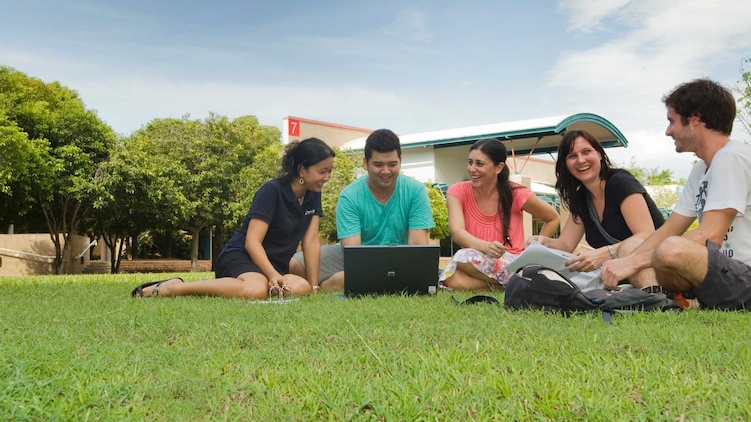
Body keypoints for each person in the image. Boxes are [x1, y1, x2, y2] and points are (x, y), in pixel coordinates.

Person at [600, 78, 751, 310]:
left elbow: (710, 235)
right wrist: (626, 260)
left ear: (695, 119)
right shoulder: (702, 168)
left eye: (672, 121)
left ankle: (673, 301)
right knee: (632, 247)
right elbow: (669, 228)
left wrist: (633, 264)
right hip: (720, 274)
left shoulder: (732, 158)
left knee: (670, 250)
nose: (668, 131)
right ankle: (656, 299)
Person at [131, 137, 335, 299]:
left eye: (330, 171)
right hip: (241, 256)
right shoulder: (272, 191)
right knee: (256, 290)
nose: (327, 177)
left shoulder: (313, 194)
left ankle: (263, 283)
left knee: (301, 287)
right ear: (302, 170)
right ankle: (173, 288)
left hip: (275, 264)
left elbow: (311, 241)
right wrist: (272, 275)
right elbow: (252, 242)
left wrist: (314, 285)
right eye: (322, 171)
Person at [290, 128, 435, 289]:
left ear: (400, 161)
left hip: (400, 258)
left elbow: (417, 247)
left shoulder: (415, 191)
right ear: (365, 163)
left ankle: (334, 283)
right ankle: (343, 281)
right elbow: (354, 253)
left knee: (358, 279)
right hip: (352, 257)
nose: (386, 171)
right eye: (378, 164)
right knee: (294, 264)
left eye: (392, 164)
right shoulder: (350, 196)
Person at [529, 129, 665, 288]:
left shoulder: (620, 182)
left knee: (630, 246)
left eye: (586, 152)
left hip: (656, 264)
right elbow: (565, 244)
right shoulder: (580, 198)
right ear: (565, 164)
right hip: (621, 274)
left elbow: (646, 235)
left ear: (600, 154)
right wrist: (543, 242)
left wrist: (606, 253)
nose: (581, 160)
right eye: (572, 156)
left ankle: (655, 296)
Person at [440, 138, 560, 290]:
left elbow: (553, 218)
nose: (472, 169)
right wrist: (486, 247)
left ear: (499, 167)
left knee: (462, 259)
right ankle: (507, 286)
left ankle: (514, 280)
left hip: (512, 261)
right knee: (452, 275)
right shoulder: (457, 191)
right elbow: (457, 232)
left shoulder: (516, 193)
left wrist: (534, 252)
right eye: (470, 163)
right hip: (477, 258)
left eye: (479, 164)